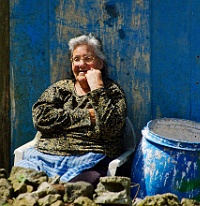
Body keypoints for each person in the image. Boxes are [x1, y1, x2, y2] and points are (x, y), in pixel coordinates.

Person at [16, 33, 127, 187]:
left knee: (76, 190)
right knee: (21, 182)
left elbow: (112, 129)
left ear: (100, 63)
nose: (81, 64)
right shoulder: (61, 89)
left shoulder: (112, 92)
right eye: (76, 59)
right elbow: (40, 118)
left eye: (88, 58)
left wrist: (97, 89)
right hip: (45, 156)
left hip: (89, 160)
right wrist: (88, 116)